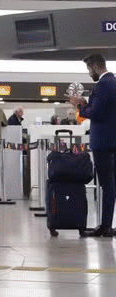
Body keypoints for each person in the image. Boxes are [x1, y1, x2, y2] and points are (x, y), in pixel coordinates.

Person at [69, 53, 116, 237]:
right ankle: (106, 224)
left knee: (107, 185)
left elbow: (96, 114)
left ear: (96, 67)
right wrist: (86, 103)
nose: (89, 74)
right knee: (112, 184)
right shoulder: (113, 82)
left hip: (103, 142)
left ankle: (105, 226)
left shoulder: (102, 85)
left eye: (89, 69)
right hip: (113, 140)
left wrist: (80, 108)